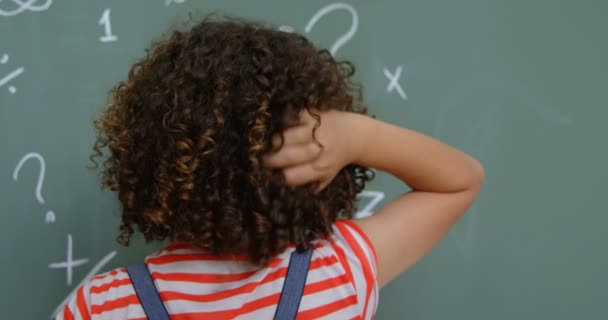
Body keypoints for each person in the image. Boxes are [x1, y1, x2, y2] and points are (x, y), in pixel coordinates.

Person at [56, 16, 484, 320]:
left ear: (157, 166)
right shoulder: (336, 273)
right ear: (309, 170)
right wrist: (354, 136)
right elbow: (458, 182)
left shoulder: (102, 306)